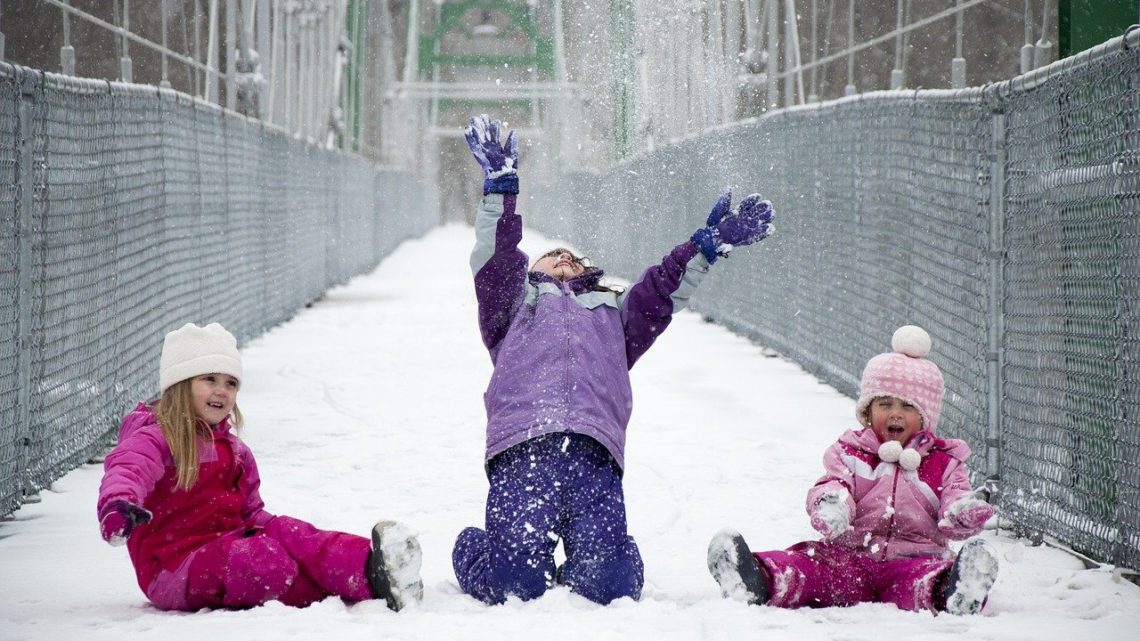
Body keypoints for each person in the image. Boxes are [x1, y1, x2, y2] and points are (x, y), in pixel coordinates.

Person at [452, 114, 775, 605]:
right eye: (551, 257)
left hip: (594, 453)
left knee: (610, 587)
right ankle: (477, 550)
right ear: (529, 272)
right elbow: (496, 254)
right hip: (524, 450)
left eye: (574, 260)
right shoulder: (511, 308)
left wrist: (704, 248)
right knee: (514, 584)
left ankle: (609, 559)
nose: (563, 261)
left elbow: (663, 289)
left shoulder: (614, 315)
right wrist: (501, 189)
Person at [97, 322, 423, 612]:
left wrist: (285, 535)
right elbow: (128, 468)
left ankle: (372, 568)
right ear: (180, 385)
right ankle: (339, 589)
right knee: (261, 560)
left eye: (230, 383)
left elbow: (250, 513)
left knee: (294, 535)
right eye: (209, 379)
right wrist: (118, 507)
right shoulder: (155, 437)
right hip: (174, 568)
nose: (222, 391)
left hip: (228, 542)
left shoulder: (235, 450)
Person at [707, 325, 999, 615]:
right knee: (809, 567)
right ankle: (757, 578)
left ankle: (954, 590)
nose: (895, 413)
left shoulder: (943, 462)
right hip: (848, 558)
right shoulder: (851, 452)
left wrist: (963, 512)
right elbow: (834, 483)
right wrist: (832, 504)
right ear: (868, 411)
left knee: (921, 582)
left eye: (908, 407)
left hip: (913, 559)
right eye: (885, 404)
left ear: (925, 418)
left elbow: (954, 499)